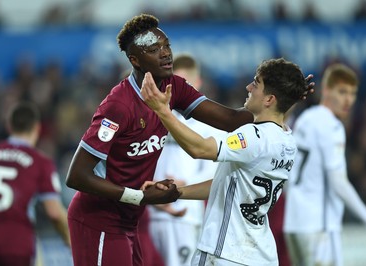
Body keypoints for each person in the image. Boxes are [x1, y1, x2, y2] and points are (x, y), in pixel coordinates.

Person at [65, 13, 314, 266]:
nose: (165, 53)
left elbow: (231, 120)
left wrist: (286, 94)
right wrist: (138, 197)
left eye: (166, 46)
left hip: (131, 218)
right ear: (135, 60)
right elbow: (77, 176)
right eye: (154, 49)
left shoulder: (175, 88)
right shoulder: (119, 106)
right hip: (98, 219)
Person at [141, 57, 309, 265]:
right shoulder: (287, 140)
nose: (249, 87)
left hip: (225, 252)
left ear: (269, 99)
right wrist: (177, 192)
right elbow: (227, 185)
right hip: (261, 255)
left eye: (256, 83)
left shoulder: (252, 137)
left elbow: (199, 149)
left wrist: (162, 111)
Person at [283, 63, 366, 266]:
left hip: (294, 223)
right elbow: (338, 181)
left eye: (352, 93)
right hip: (319, 227)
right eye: (342, 92)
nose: (348, 100)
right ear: (326, 90)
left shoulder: (306, 119)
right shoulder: (331, 126)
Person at [0, 102, 70, 266]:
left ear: (9, 126)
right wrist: (69, 239)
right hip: (18, 243)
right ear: (37, 128)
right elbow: (54, 212)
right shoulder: (41, 162)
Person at [149, 53, 223, 266]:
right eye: (174, 82)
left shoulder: (206, 124)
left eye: (185, 83)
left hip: (185, 214)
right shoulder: (156, 117)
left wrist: (184, 184)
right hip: (149, 212)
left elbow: (215, 170)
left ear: (197, 83)